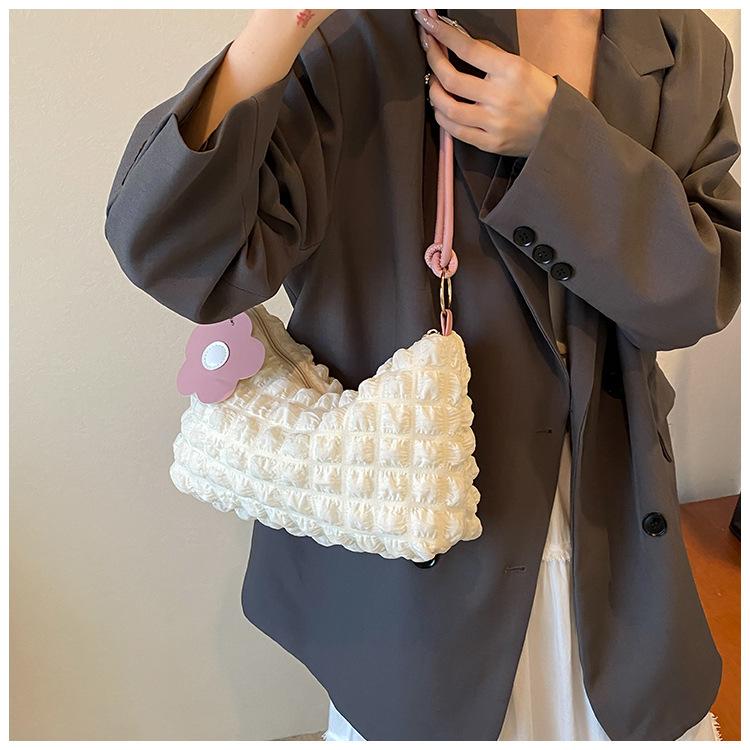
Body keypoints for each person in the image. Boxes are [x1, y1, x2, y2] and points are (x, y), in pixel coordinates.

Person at [103, 9, 740, 741]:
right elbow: (172, 251)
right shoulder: (357, 41)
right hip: (413, 566)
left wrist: (556, 141)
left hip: (621, 560)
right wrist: (286, 20)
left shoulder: (680, 44)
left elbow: (697, 293)